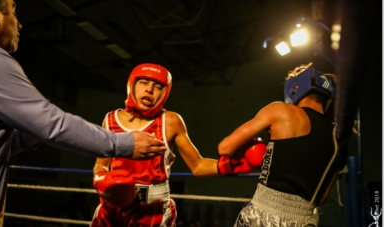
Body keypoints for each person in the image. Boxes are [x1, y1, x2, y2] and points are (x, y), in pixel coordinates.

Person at [0, 0, 167, 225]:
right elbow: (54, 124)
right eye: (13, 11)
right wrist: (122, 144)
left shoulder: (171, 121)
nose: (19, 24)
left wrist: (32, 127)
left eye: (157, 86)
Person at [89, 63, 267, 227]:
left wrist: (234, 165)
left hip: (152, 208)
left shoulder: (170, 121)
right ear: (132, 85)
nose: (150, 90)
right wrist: (102, 181)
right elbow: (101, 165)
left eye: (157, 87)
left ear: (164, 93)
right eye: (143, 82)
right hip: (112, 205)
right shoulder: (110, 119)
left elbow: (197, 166)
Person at [218, 63, 345, 226]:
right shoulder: (339, 136)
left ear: (295, 88)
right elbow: (322, 197)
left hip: (263, 214)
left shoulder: (280, 111)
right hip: (306, 220)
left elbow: (225, 147)